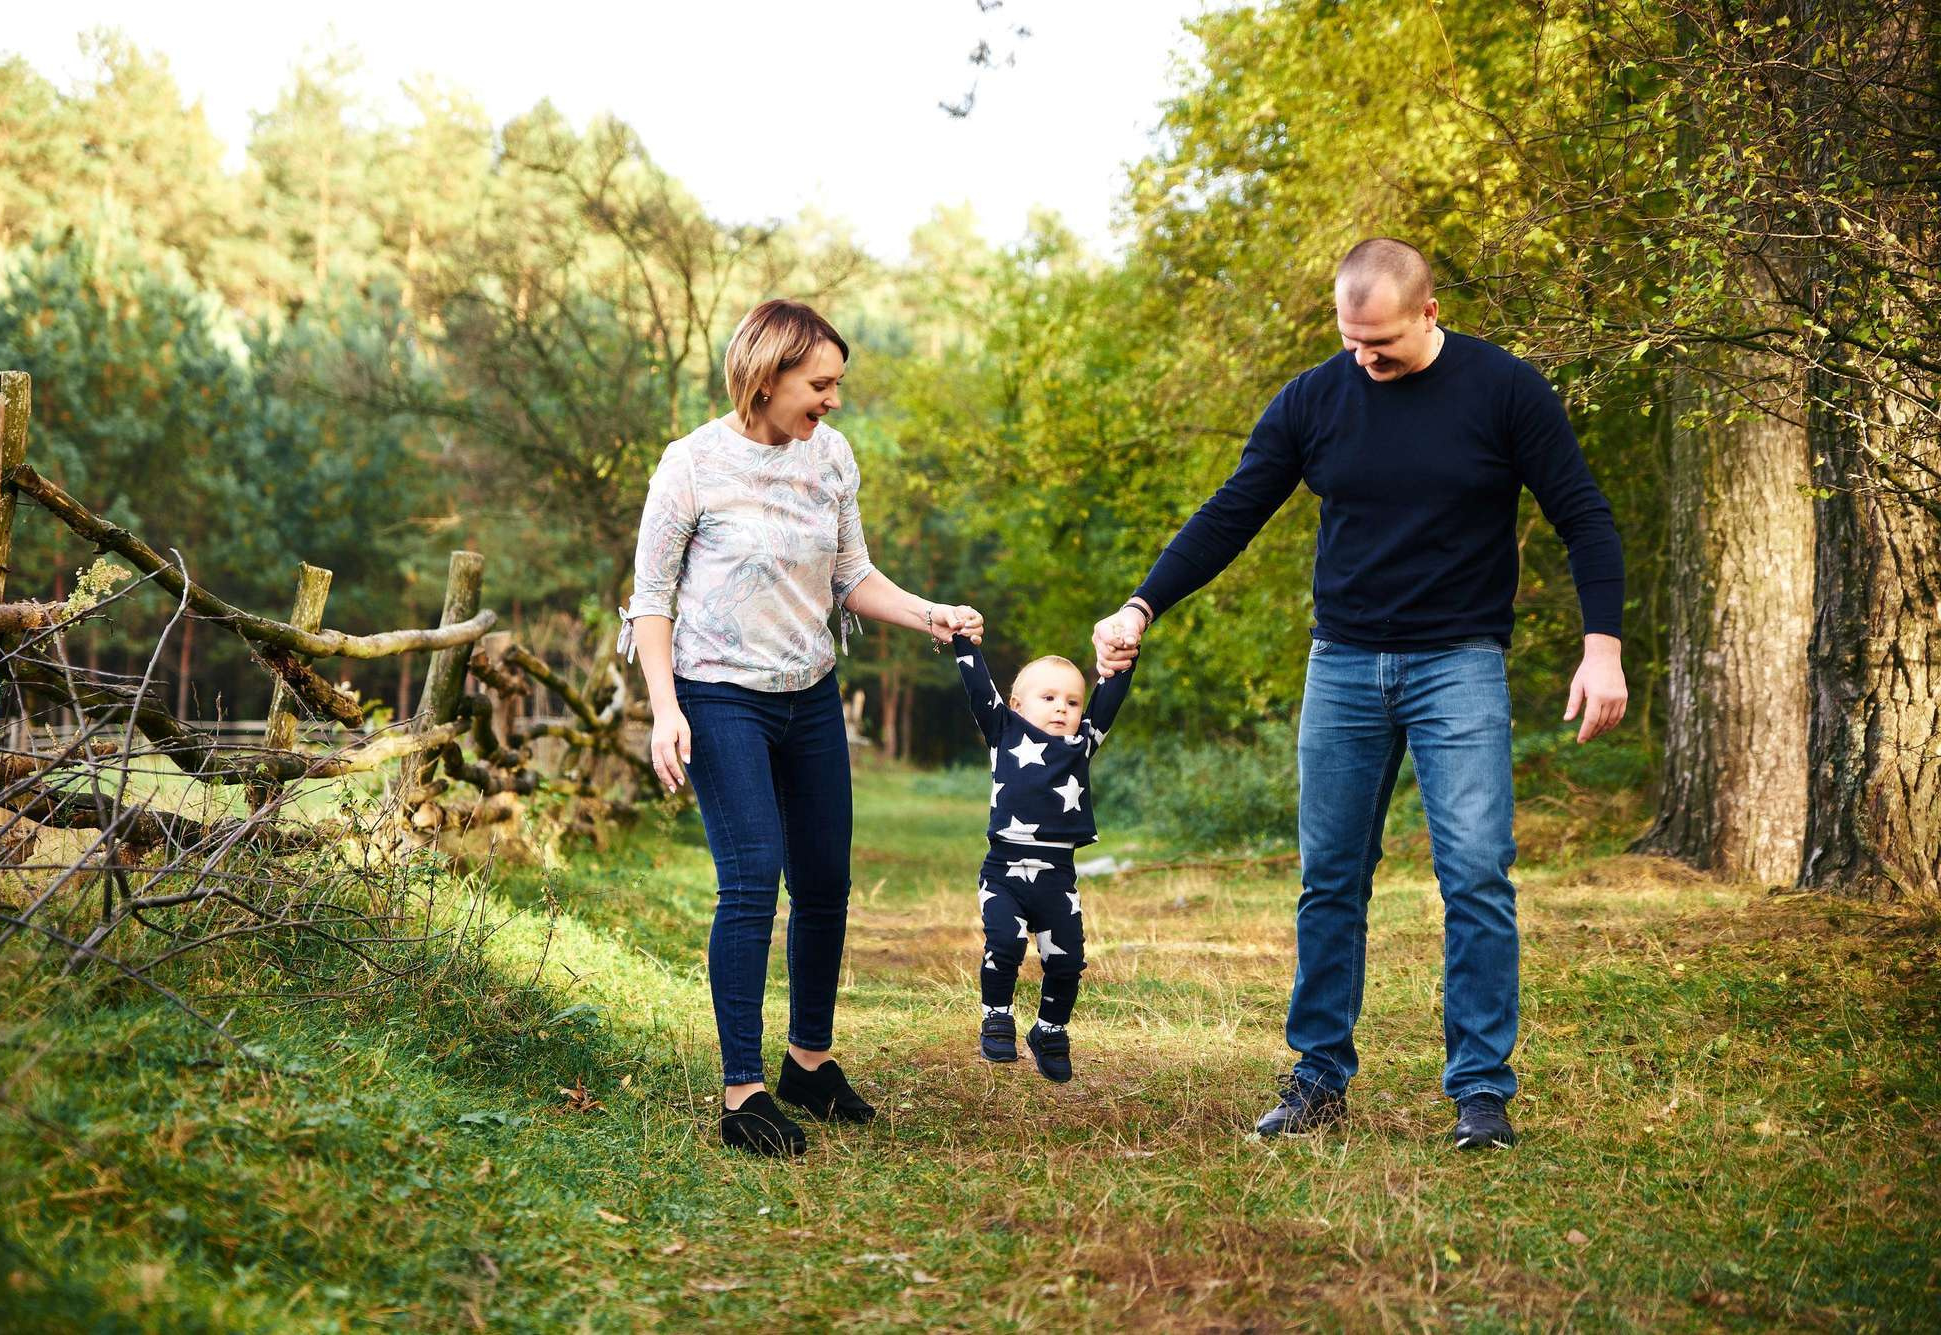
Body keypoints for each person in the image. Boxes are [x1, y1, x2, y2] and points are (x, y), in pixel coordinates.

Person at [1092, 239, 1627, 1151]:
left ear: (1428, 313)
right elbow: (1234, 510)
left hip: (1458, 662)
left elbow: (1581, 512)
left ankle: (1481, 1092)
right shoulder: (1316, 396)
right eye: (1351, 341)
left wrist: (1602, 647)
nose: (1365, 361)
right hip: (1342, 665)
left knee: (1476, 876)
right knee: (1330, 878)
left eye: (1382, 343)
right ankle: (1317, 1079)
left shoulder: (1505, 390)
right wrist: (1144, 600)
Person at [622, 299, 983, 1156]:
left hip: (810, 691)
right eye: (820, 384)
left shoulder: (832, 457)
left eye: (837, 384)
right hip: (719, 694)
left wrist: (929, 612)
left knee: (823, 879)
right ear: (768, 372)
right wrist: (666, 708)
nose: (833, 400)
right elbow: (650, 600)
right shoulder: (692, 465)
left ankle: (808, 1064)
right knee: (753, 875)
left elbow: (851, 573)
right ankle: (742, 1091)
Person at [949, 633, 1137, 1082]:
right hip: (1004, 873)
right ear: (1016, 705)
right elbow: (979, 691)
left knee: (1067, 960)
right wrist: (964, 641)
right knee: (1006, 945)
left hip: (1057, 878)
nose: (1062, 709)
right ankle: (997, 1016)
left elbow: (1109, 696)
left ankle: (1050, 1030)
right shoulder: (1004, 732)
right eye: (1049, 698)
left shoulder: (1082, 744)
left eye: (1072, 702)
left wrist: (1125, 655)